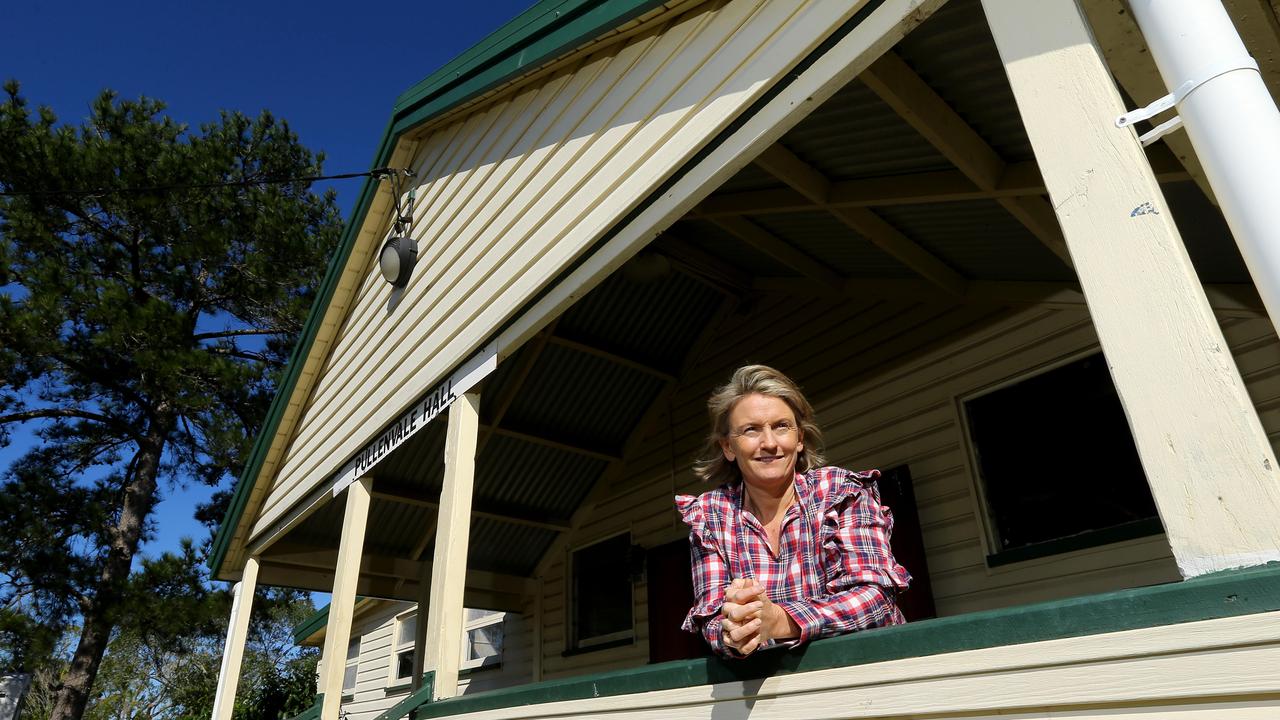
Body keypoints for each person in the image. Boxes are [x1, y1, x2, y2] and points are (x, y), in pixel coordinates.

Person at [675, 365, 911, 657]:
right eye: (751, 430)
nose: (770, 443)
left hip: (874, 673)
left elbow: (874, 598)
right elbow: (711, 618)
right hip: (781, 693)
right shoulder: (711, 516)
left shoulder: (840, 491)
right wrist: (735, 631)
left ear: (799, 439)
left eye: (781, 426)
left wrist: (780, 620)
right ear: (728, 447)